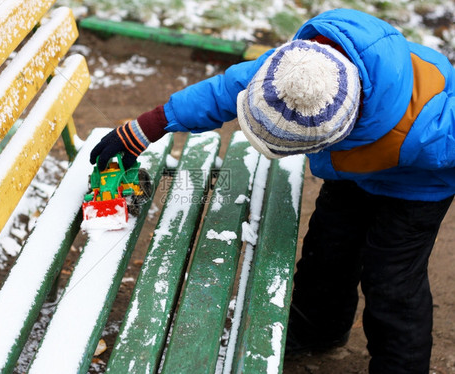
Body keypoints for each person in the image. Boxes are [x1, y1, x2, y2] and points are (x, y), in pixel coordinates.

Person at [89, 8, 455, 374]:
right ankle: (318, 330)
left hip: (416, 188)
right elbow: (225, 90)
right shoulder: (296, 70)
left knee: (391, 280)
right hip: (351, 171)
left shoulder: (435, 129)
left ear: (338, 133)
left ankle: (401, 366)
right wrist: (144, 129)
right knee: (328, 250)